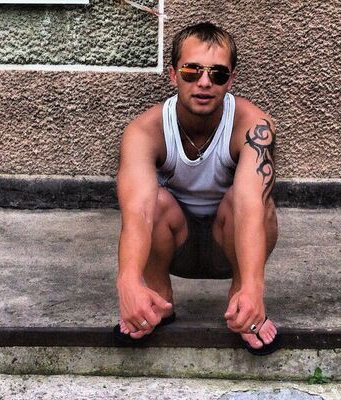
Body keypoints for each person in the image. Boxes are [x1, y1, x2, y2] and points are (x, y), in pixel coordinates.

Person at [115, 22, 279, 354]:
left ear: (231, 80)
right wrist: (128, 283)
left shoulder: (254, 126)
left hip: (229, 242)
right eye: (191, 71)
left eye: (218, 74)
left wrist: (255, 287)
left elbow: (250, 207)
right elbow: (138, 212)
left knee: (248, 201)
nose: (204, 82)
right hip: (176, 246)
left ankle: (243, 302)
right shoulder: (144, 131)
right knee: (155, 201)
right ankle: (157, 300)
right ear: (173, 75)